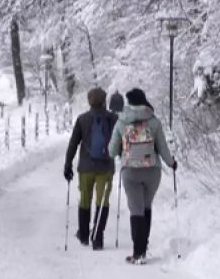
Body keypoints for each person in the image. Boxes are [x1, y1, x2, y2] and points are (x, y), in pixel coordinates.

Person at [110, 88, 177, 264]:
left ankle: (137, 252)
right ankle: (143, 249)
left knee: (136, 210)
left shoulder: (121, 122)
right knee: (146, 207)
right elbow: (163, 148)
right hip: (152, 171)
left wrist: (120, 152)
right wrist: (172, 163)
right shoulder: (154, 121)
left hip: (130, 170)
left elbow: (111, 151)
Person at [63, 87, 117, 249]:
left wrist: (68, 164)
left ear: (89, 101)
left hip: (85, 168)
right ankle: (98, 238)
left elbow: (73, 143)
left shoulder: (82, 119)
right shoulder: (113, 118)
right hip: (106, 167)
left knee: (85, 199)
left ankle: (85, 235)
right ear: (104, 100)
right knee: (103, 201)